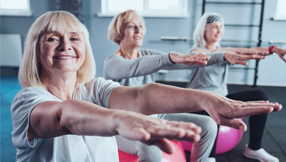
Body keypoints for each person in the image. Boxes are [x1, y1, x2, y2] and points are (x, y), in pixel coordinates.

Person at [11, 11, 282, 162]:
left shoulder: (93, 88)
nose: (65, 45)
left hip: (139, 120)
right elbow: (63, 116)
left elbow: (142, 95)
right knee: (150, 149)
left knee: (206, 124)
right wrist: (122, 119)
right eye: (52, 38)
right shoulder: (27, 101)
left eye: (74, 38)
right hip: (129, 126)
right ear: (34, 49)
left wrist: (204, 99)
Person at [103, 10, 276, 162]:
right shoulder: (112, 61)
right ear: (119, 31)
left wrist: (223, 56)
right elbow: (134, 67)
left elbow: (188, 61)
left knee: (208, 125)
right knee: (151, 151)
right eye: (132, 26)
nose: (139, 30)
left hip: (155, 115)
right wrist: (169, 57)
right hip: (125, 123)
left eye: (141, 25)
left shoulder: (148, 54)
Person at [187, 12, 286, 162]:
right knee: (213, 106)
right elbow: (213, 54)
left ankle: (254, 149)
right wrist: (229, 53)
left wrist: (274, 49)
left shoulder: (225, 50)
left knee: (260, 96)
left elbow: (246, 49)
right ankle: (209, 158)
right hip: (199, 102)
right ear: (203, 30)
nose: (219, 30)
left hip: (222, 97)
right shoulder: (194, 51)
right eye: (214, 27)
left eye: (221, 27)